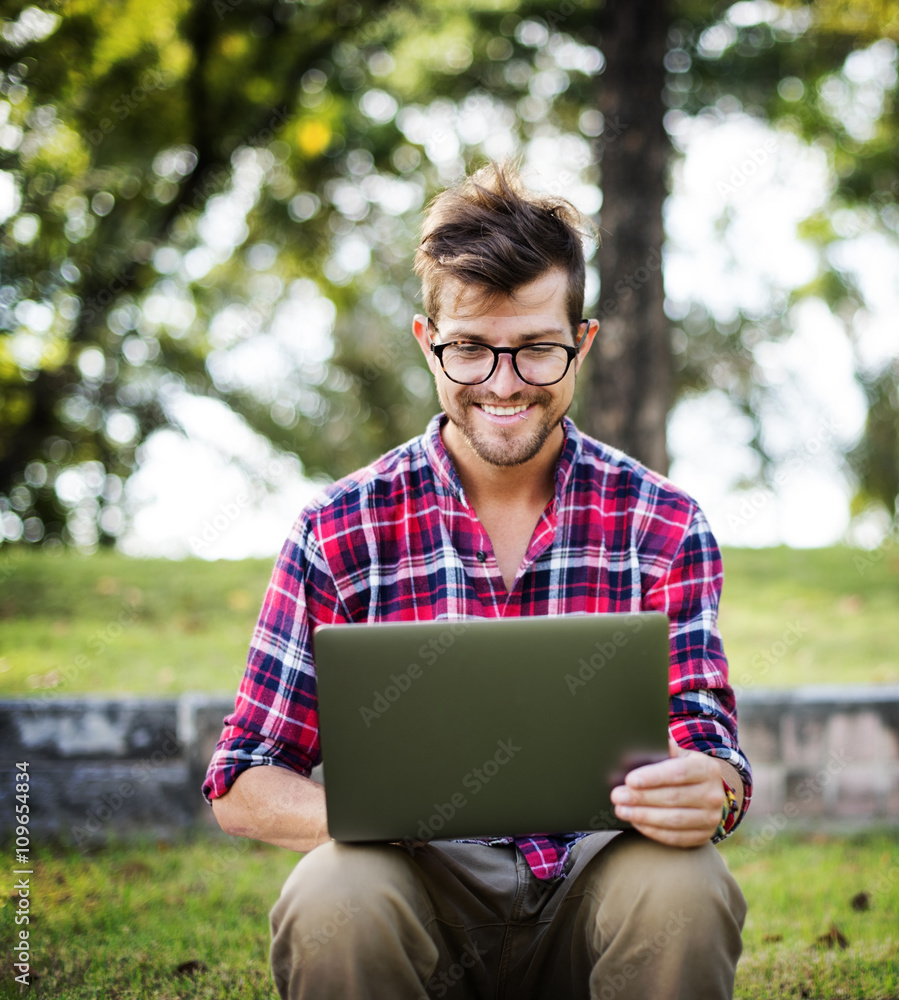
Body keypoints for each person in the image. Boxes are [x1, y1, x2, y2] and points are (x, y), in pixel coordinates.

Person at [204, 161, 752, 1000]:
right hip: (418, 903)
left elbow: (710, 750)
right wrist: (373, 820)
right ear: (429, 343)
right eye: (470, 350)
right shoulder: (339, 528)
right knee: (331, 891)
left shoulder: (663, 524)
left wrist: (705, 789)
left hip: (597, 895)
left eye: (537, 349)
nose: (503, 384)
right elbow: (243, 778)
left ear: (584, 342)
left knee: (689, 884)